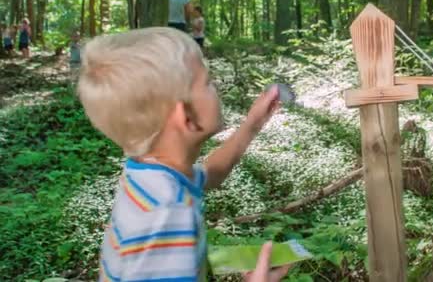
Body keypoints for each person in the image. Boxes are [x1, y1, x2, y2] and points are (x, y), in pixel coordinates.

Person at [77, 27, 289, 281]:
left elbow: (211, 173)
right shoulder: (167, 216)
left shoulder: (152, 174)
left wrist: (252, 123)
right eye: (208, 82)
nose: (217, 86)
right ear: (185, 116)